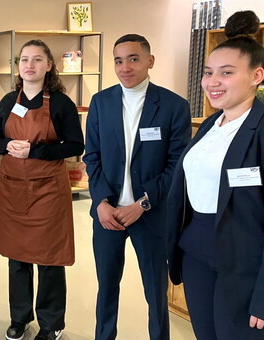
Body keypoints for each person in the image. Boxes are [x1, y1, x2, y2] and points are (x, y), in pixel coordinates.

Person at [83, 34, 191, 340]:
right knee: (106, 286)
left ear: (149, 61)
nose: (125, 67)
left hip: (151, 214)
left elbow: (177, 166)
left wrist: (142, 204)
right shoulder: (101, 102)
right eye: (118, 60)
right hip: (108, 215)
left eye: (133, 59)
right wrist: (101, 202)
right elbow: (92, 156)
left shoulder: (173, 106)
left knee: (156, 292)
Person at [167, 10, 264, 340]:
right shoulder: (209, 124)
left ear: (257, 76)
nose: (212, 82)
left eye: (226, 72)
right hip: (196, 248)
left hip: (243, 259)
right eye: (209, 72)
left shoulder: (260, 129)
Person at [0, 39, 84, 340]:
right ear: (18, 66)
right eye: (24, 59)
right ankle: (19, 318)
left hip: (48, 193)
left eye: (38, 59)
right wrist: (6, 145)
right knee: (17, 258)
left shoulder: (61, 103)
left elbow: (76, 144)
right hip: (14, 190)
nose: (30, 65)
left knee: (50, 259)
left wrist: (36, 151)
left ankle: (51, 323)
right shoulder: (7, 102)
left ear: (49, 66)